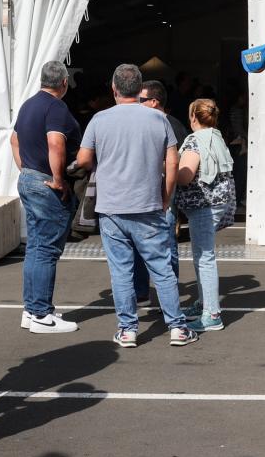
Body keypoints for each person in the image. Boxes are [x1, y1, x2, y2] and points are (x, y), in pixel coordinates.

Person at [75, 63, 195, 349]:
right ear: (139, 88)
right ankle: (177, 327)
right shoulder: (158, 119)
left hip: (112, 206)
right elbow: (173, 162)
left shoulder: (99, 120)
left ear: (114, 89)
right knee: (162, 267)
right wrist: (165, 197)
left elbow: (82, 159)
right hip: (148, 204)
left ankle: (128, 329)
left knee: (121, 270)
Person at [10, 61, 81, 335]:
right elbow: (55, 142)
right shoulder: (56, 107)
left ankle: (32, 309)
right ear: (64, 83)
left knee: (36, 247)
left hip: (29, 177)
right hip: (45, 181)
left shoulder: (28, 104)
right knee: (47, 249)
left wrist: (25, 168)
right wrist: (57, 178)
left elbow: (14, 140)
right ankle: (41, 312)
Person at [174, 98, 236, 332]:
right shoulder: (217, 137)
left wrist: (167, 167)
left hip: (203, 205)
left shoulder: (194, 140)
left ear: (193, 117)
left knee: (204, 258)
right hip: (218, 203)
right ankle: (204, 304)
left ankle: (212, 314)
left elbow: (185, 176)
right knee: (203, 256)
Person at [135, 79, 184, 307]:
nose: (136, 103)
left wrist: (167, 194)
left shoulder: (171, 125)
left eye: (141, 100)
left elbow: (179, 162)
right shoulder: (146, 122)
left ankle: (168, 293)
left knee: (165, 243)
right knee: (141, 241)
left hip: (164, 190)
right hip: (146, 190)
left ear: (154, 102)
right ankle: (142, 291)